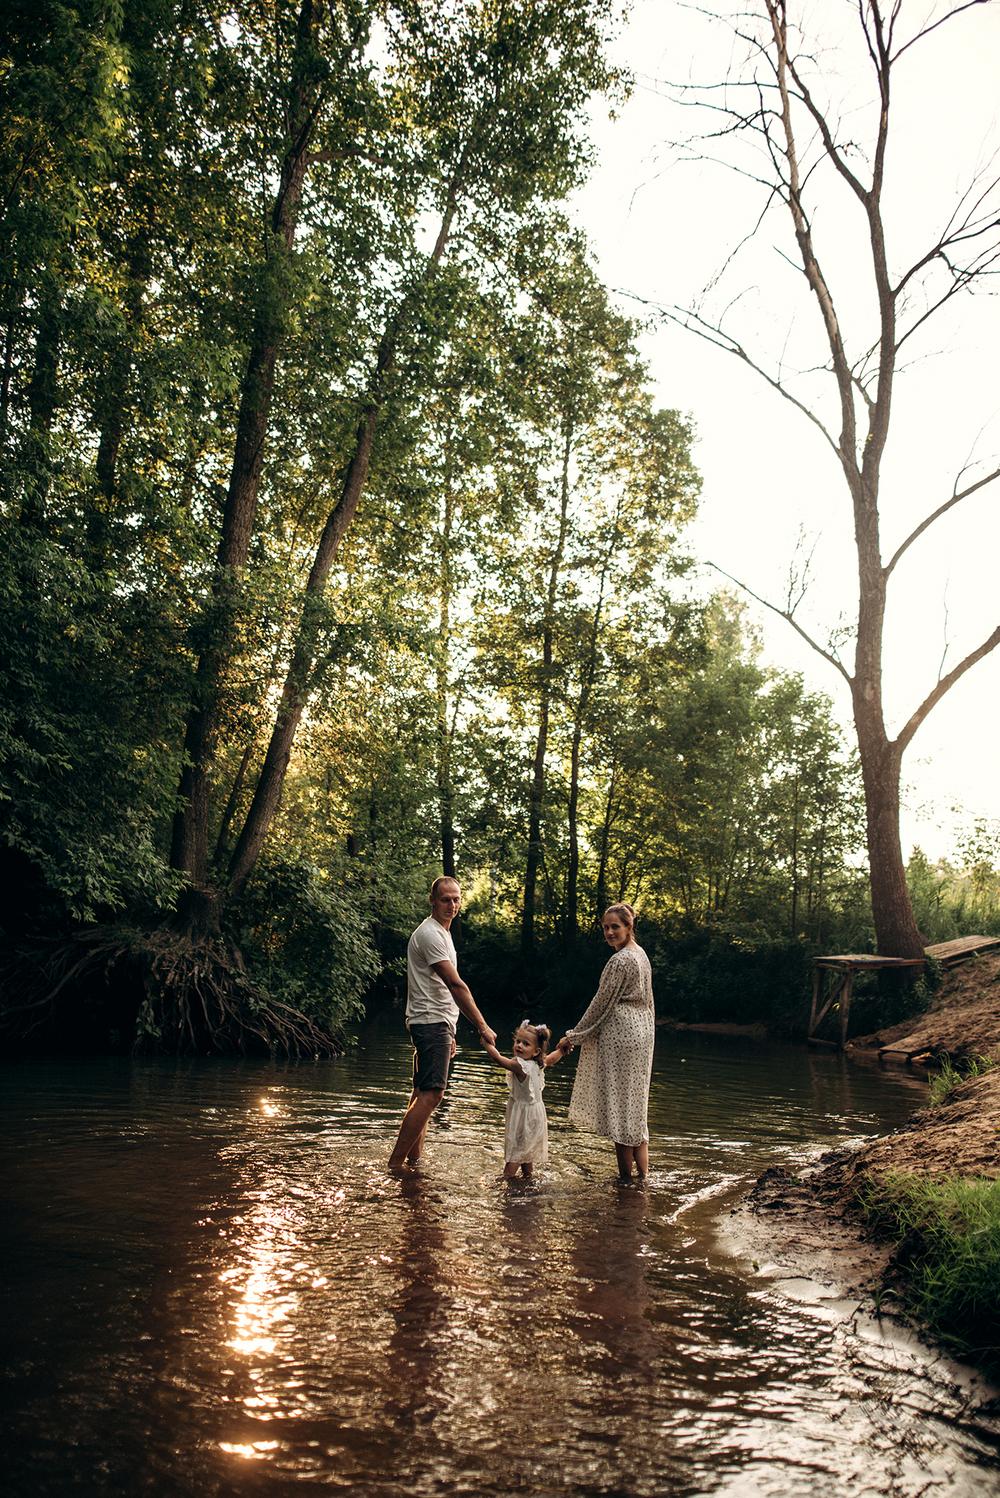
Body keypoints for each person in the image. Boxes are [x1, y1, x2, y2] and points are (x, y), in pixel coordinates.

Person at [388, 876, 497, 1171]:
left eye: (456, 899)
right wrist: (482, 1026)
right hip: (430, 1022)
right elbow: (454, 984)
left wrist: (450, 1031)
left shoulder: (442, 934)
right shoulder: (431, 935)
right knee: (432, 1094)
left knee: (422, 1093)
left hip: (437, 1023)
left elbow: (441, 989)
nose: (452, 904)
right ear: (433, 901)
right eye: (445, 899)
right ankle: (396, 1166)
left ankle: (414, 1163)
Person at [559, 903, 655, 1180]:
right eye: (606, 927)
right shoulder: (641, 955)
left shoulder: (621, 960)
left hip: (622, 1038)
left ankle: (625, 1183)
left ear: (629, 927)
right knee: (635, 1109)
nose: (610, 932)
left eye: (616, 926)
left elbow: (600, 1005)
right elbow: (649, 1002)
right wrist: (649, 1036)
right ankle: (643, 1181)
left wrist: (573, 1037)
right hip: (641, 1035)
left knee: (620, 1112)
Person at [482, 1020, 569, 1178]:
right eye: (518, 1041)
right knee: (526, 1148)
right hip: (536, 1114)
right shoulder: (539, 1063)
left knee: (516, 1151)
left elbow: (498, 1059)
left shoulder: (519, 1065)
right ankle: (528, 1177)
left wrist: (486, 1044)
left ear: (535, 1051)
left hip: (523, 1115)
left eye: (525, 1044)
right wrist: (562, 1051)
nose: (519, 1046)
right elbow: (552, 1058)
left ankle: (505, 1180)